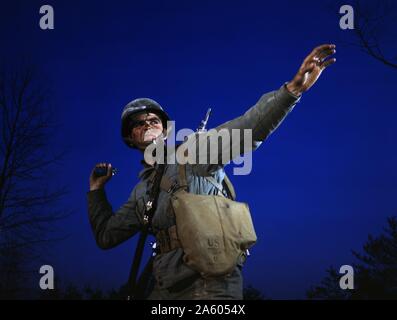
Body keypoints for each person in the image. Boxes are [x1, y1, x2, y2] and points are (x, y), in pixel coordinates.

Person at [87, 44, 336, 299]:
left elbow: (247, 128)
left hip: (211, 285)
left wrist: (292, 91)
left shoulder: (193, 151)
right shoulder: (141, 193)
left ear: (165, 130)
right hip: (165, 289)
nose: (147, 124)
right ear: (131, 138)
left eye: (154, 120)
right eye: (138, 124)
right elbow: (107, 236)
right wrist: (96, 191)